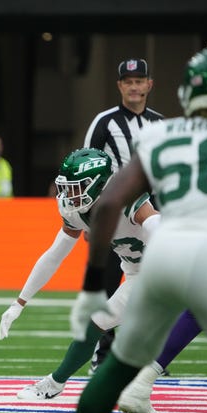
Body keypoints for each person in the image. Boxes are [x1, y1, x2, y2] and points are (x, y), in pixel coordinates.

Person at [67, 44, 207, 413]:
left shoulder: (163, 132)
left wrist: (95, 280)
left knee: (119, 367)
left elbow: (112, 199)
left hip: (162, 253)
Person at [0, 147, 160, 400]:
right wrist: (19, 302)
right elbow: (54, 255)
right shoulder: (77, 211)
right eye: (67, 187)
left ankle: (55, 383)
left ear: (99, 183)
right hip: (136, 273)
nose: (69, 194)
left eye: (77, 186)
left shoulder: (126, 197)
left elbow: (157, 225)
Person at [82, 58, 164, 373]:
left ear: (149, 84)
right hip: (113, 214)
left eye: (139, 80)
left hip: (149, 213)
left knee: (152, 286)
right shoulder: (104, 122)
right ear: (119, 86)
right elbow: (86, 161)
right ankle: (102, 352)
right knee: (106, 282)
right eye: (127, 81)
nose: (133, 86)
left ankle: (145, 354)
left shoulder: (160, 123)